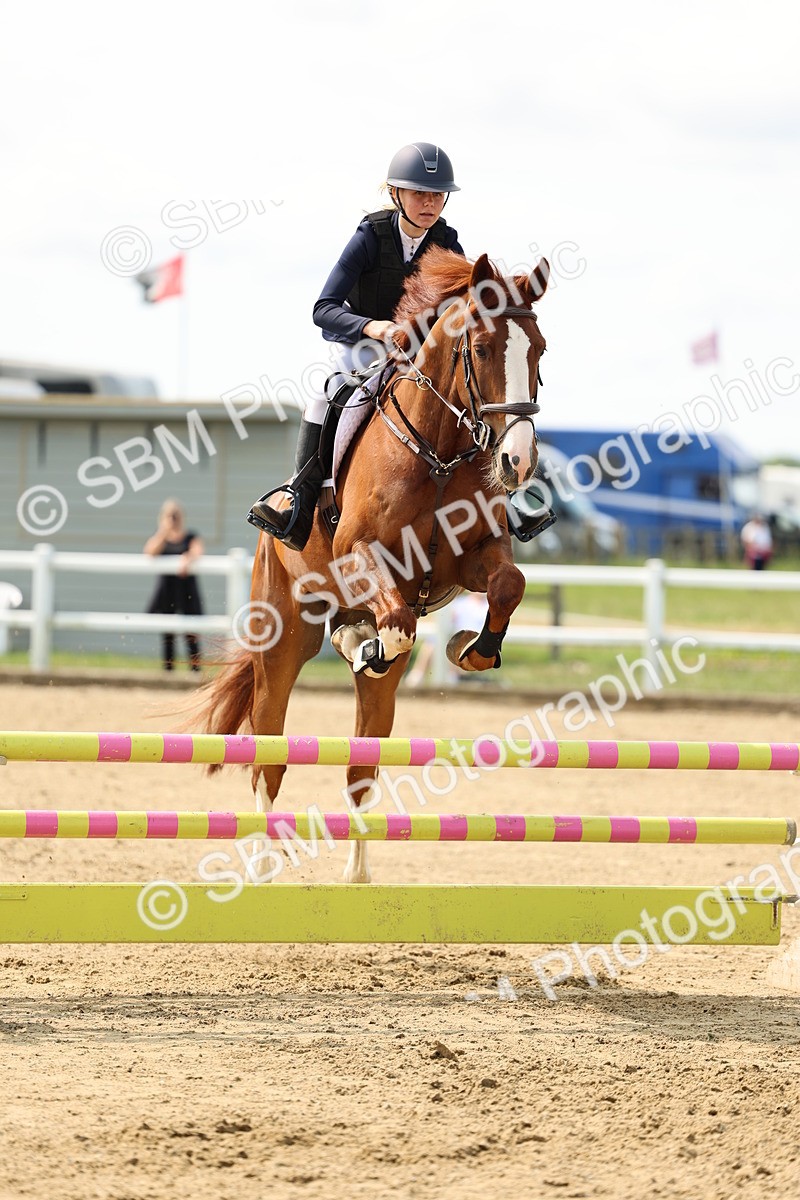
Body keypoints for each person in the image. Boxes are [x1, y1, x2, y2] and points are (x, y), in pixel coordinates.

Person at [247, 141, 464, 551]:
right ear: (396, 193)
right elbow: (323, 308)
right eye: (419, 192)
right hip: (366, 350)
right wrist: (373, 328)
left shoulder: (448, 243)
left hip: (421, 356)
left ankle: (507, 499)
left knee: (476, 393)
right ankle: (300, 497)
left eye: (437, 194)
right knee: (322, 396)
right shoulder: (370, 236)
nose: (429, 202)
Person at [144, 500, 204, 670]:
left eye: (176, 515)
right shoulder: (160, 538)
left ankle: (195, 670)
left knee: (192, 633)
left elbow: (197, 551)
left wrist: (187, 558)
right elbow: (149, 551)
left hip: (187, 590)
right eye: (169, 515)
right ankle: (168, 670)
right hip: (167, 590)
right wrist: (164, 531)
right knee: (167, 634)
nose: (173, 519)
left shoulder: (190, 536)